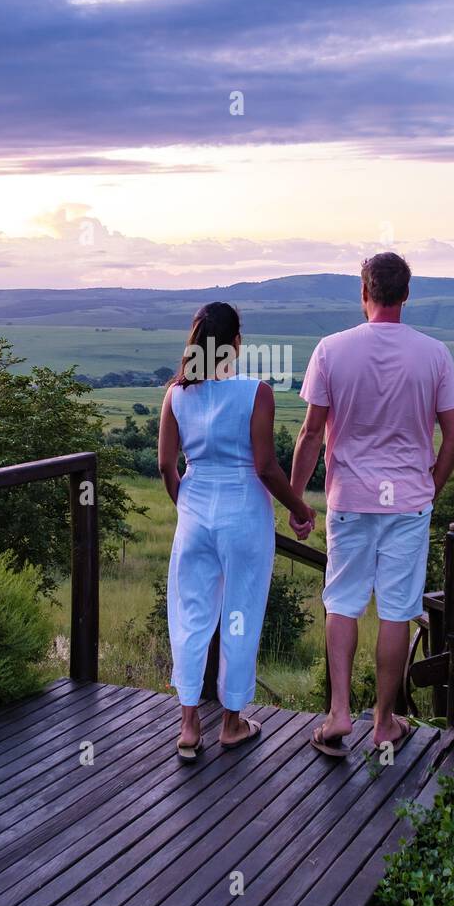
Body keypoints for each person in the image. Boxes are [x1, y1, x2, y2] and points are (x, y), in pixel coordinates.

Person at [289, 252, 454, 758]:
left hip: (350, 500)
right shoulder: (434, 354)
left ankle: (340, 712)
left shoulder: (331, 349)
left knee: (342, 602)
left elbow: (311, 433)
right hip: (408, 504)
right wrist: (430, 486)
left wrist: (298, 500)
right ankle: (384, 722)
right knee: (397, 611)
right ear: (406, 295)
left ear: (363, 292)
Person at [158, 302, 315, 762]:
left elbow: (167, 464)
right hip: (244, 512)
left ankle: (188, 726)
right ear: (236, 343)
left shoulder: (176, 395)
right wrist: (300, 508)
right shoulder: (255, 393)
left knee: (190, 614)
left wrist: (184, 501)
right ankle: (230, 722)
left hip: (195, 510)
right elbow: (265, 466)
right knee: (240, 611)